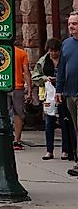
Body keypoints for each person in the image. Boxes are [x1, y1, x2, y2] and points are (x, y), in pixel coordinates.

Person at [34, 39, 74, 160]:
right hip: (49, 95)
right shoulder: (43, 60)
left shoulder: (64, 58)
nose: (53, 53)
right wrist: (46, 78)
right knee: (49, 122)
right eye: (51, 51)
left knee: (65, 121)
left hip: (63, 93)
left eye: (55, 51)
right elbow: (35, 76)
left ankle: (65, 150)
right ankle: (49, 150)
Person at [58, 12, 78, 177]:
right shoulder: (66, 44)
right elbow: (61, 68)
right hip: (70, 92)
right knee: (76, 127)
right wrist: (59, 89)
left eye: (75, 24)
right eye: (70, 23)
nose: (71, 26)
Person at [9, 43, 33, 150]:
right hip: (18, 87)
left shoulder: (0, 52)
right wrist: (29, 89)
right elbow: (26, 72)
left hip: (3, 86)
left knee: (4, 112)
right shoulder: (21, 53)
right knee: (18, 113)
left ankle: (7, 137)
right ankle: (17, 140)